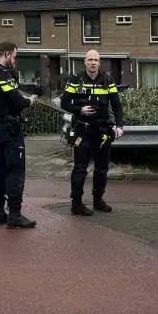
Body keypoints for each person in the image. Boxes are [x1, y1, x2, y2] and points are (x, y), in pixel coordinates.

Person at [0, 41, 38, 229]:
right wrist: (29, 101)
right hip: (10, 129)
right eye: (14, 56)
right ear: (7, 55)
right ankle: (15, 215)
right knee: (15, 171)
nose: (14, 60)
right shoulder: (4, 76)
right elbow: (17, 102)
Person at [60, 49, 124, 216]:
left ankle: (98, 200)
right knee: (80, 169)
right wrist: (80, 109)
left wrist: (119, 126)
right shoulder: (76, 80)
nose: (93, 62)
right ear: (85, 62)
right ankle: (76, 204)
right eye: (90, 60)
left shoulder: (107, 80)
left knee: (102, 169)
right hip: (83, 130)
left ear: (99, 62)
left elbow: (116, 105)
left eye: (96, 60)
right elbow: (64, 103)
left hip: (102, 131)